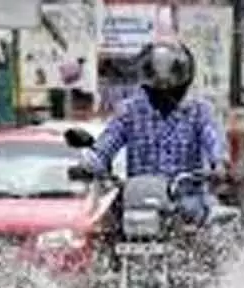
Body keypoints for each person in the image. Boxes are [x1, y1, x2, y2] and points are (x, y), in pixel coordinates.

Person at [80, 40, 230, 225]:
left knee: (208, 227)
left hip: (186, 201)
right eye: (157, 84)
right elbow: (107, 143)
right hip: (138, 202)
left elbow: (213, 139)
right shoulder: (129, 112)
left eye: (170, 84)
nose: (164, 90)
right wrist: (91, 162)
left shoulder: (200, 111)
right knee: (104, 225)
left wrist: (219, 163)